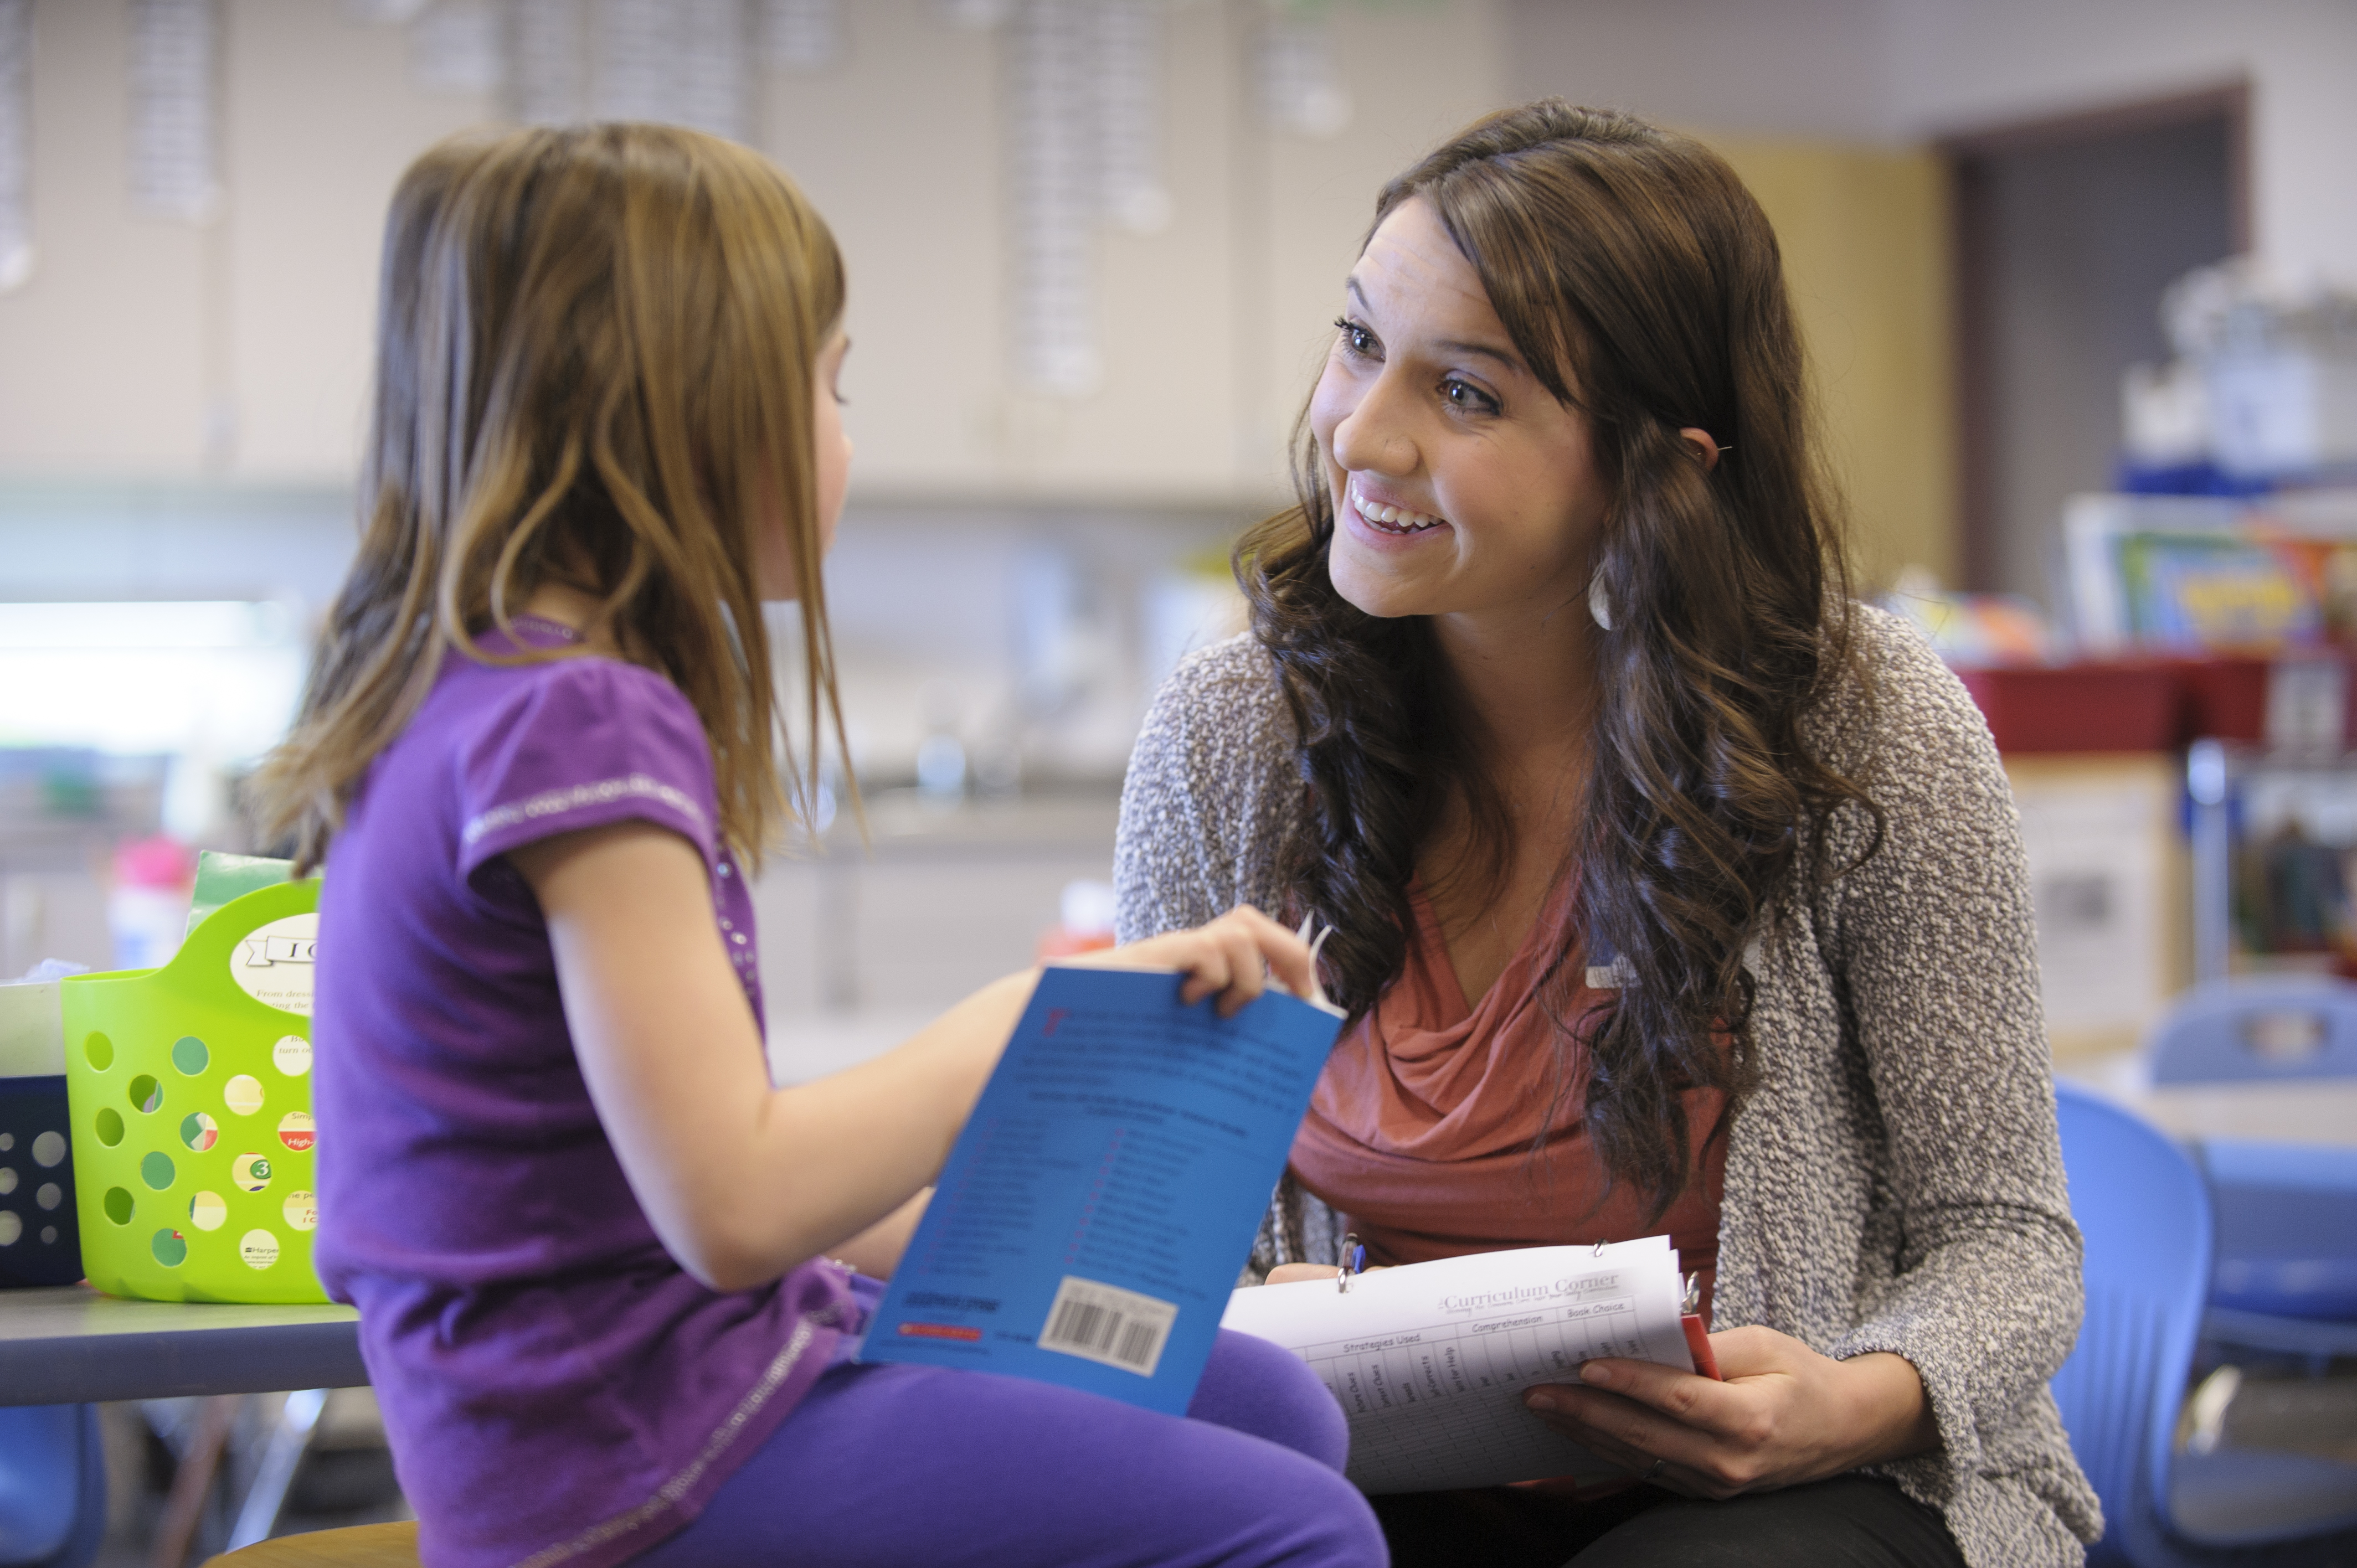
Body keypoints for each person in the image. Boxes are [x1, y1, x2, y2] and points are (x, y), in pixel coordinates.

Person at [251, 123, 1386, 1568]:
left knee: (1272, 1405)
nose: (847, 431)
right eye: (830, 383)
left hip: (637, 1400)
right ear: (691, 408)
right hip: (632, 1452)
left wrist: (1021, 1242)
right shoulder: (575, 720)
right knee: (1302, 1528)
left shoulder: (483, 691)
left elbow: (655, 1192)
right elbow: (733, 1205)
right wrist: (1040, 1024)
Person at [1114, 101, 2100, 1568]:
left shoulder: (1866, 722)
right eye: (1361, 341)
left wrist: (1851, 1403)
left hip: (1798, 1490)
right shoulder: (1232, 730)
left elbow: (2009, 1245)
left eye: (1470, 397)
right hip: (1376, 1477)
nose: (1362, 435)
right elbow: (1155, 1216)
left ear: (1659, 473)